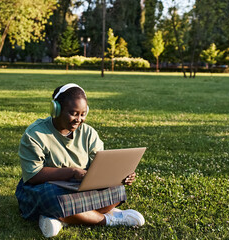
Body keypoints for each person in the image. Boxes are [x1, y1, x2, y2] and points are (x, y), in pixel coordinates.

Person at [15, 83, 145, 238]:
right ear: (55, 109)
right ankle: (109, 219)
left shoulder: (88, 133)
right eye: (73, 113)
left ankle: (61, 218)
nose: (79, 119)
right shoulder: (35, 134)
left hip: (81, 187)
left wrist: (120, 176)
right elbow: (33, 175)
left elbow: (101, 166)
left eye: (83, 114)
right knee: (51, 198)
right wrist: (72, 171)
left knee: (118, 190)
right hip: (46, 187)